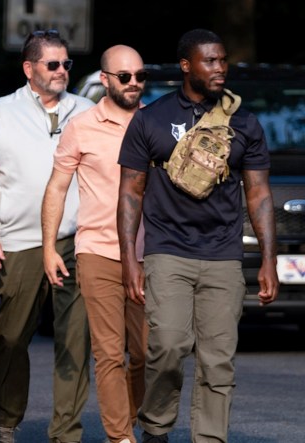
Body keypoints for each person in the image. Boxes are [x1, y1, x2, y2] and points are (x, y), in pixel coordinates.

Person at [117, 29, 278, 443]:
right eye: (210, 61)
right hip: (167, 251)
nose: (219, 68)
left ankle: (210, 438)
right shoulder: (150, 119)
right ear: (186, 66)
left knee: (218, 361)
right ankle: (155, 426)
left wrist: (268, 260)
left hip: (223, 254)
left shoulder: (244, 122)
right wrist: (131, 261)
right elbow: (130, 193)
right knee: (168, 347)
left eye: (223, 60)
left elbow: (258, 194)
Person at [0, 29, 93, 443]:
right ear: (29, 68)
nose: (61, 71)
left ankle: (66, 432)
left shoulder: (88, 110)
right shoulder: (0, 112)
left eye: (66, 64)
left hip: (76, 240)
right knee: (12, 337)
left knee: (75, 339)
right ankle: (5, 423)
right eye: (52, 64)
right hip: (19, 242)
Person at [41, 45, 148, 443]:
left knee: (147, 352)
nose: (134, 83)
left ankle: (130, 419)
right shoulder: (81, 126)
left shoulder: (154, 124)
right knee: (108, 352)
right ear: (104, 80)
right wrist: (49, 246)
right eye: (125, 76)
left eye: (140, 76)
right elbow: (56, 187)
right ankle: (120, 437)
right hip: (97, 252)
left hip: (149, 254)